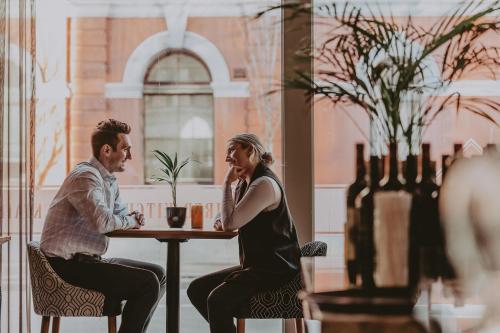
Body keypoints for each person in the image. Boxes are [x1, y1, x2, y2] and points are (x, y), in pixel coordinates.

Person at [40, 119, 165, 333]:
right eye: (126, 149)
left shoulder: (106, 179)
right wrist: (130, 221)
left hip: (87, 260)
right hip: (66, 265)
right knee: (148, 283)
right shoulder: (85, 177)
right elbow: (103, 223)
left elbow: (118, 214)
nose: (130, 156)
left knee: (159, 274)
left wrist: (131, 217)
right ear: (107, 150)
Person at [187, 133, 301, 333]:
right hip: (256, 266)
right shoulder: (247, 182)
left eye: (232, 150)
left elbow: (230, 223)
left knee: (217, 300)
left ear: (250, 150)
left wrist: (225, 184)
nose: (227, 158)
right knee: (197, 289)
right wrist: (220, 218)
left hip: (275, 268)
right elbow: (229, 215)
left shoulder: (263, 184)